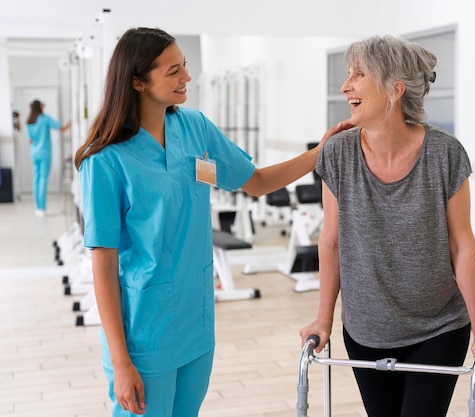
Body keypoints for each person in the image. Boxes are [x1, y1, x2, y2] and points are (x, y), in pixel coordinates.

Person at [73, 27, 351, 417]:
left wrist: (319, 153)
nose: (187, 77)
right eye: (173, 71)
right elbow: (102, 263)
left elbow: (255, 182)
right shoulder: (106, 160)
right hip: (143, 333)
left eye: (184, 66)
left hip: (196, 321)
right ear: (137, 82)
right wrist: (121, 363)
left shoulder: (194, 127)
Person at [299, 35, 475, 417]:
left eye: (359, 74)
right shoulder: (337, 153)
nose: (346, 86)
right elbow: (330, 243)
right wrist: (322, 319)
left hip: (439, 326)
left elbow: (462, 244)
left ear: (395, 89)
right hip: (366, 330)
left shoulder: (445, 153)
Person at [26, 100, 70, 217]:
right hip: (44, 153)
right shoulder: (44, 119)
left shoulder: (30, 121)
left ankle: (38, 208)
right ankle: (42, 209)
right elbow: (61, 128)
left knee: (36, 179)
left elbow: (30, 140)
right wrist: (71, 123)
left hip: (34, 153)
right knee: (43, 179)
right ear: (39, 107)